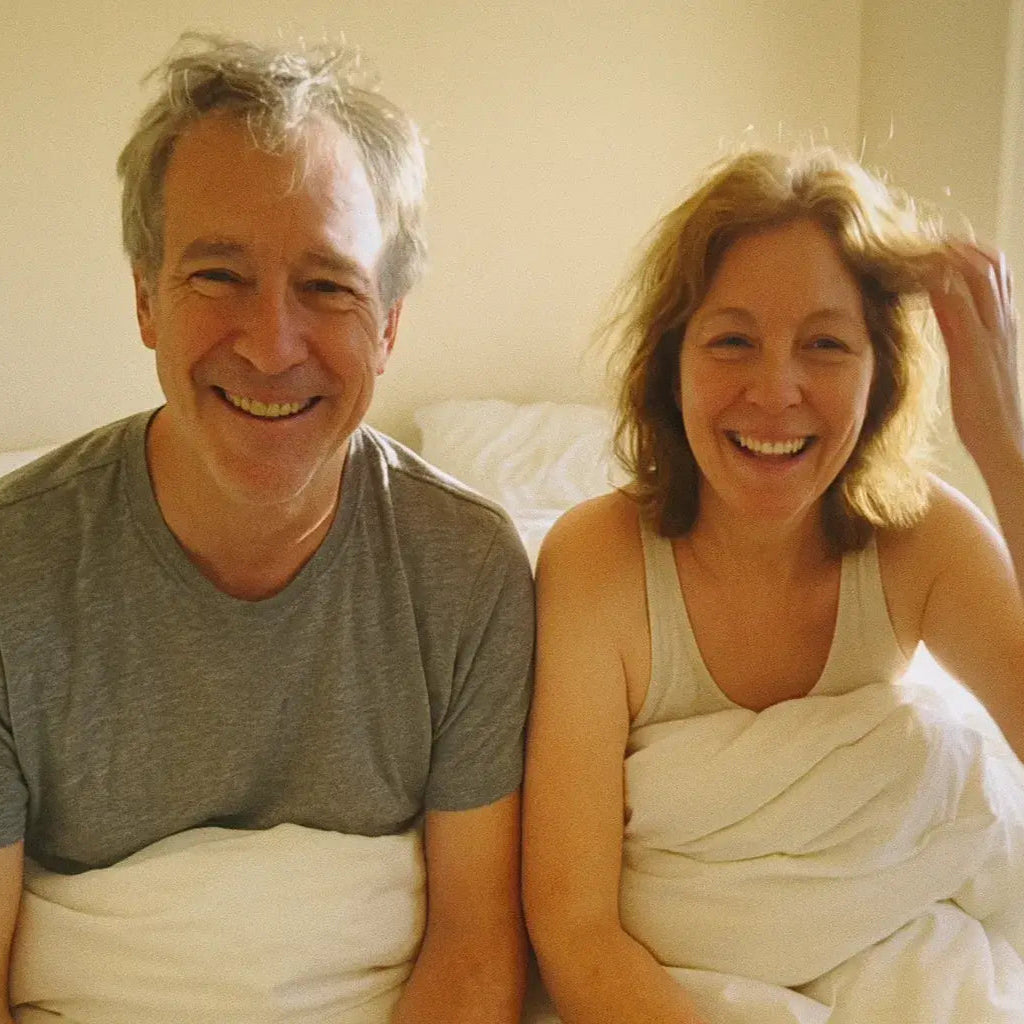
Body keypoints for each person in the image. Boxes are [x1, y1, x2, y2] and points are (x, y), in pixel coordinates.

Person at [0, 34, 533, 1023]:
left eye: (327, 285)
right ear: (145, 297)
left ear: (388, 324)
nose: (272, 344)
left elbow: (472, 944)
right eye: (217, 275)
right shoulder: (11, 575)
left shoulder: (468, 573)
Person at [522, 148, 1024, 1022]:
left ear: (882, 374)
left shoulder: (923, 539)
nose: (776, 391)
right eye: (733, 341)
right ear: (672, 366)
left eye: (826, 345)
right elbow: (575, 928)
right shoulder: (595, 565)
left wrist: (1001, 444)